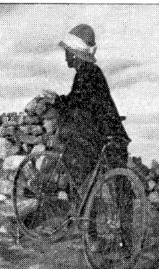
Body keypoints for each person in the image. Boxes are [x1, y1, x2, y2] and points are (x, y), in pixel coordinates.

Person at [55, 24, 130, 180]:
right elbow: (76, 98)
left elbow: (76, 102)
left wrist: (56, 101)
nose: (65, 57)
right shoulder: (87, 71)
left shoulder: (88, 73)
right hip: (108, 134)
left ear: (75, 54)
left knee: (116, 185)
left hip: (107, 136)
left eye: (67, 53)